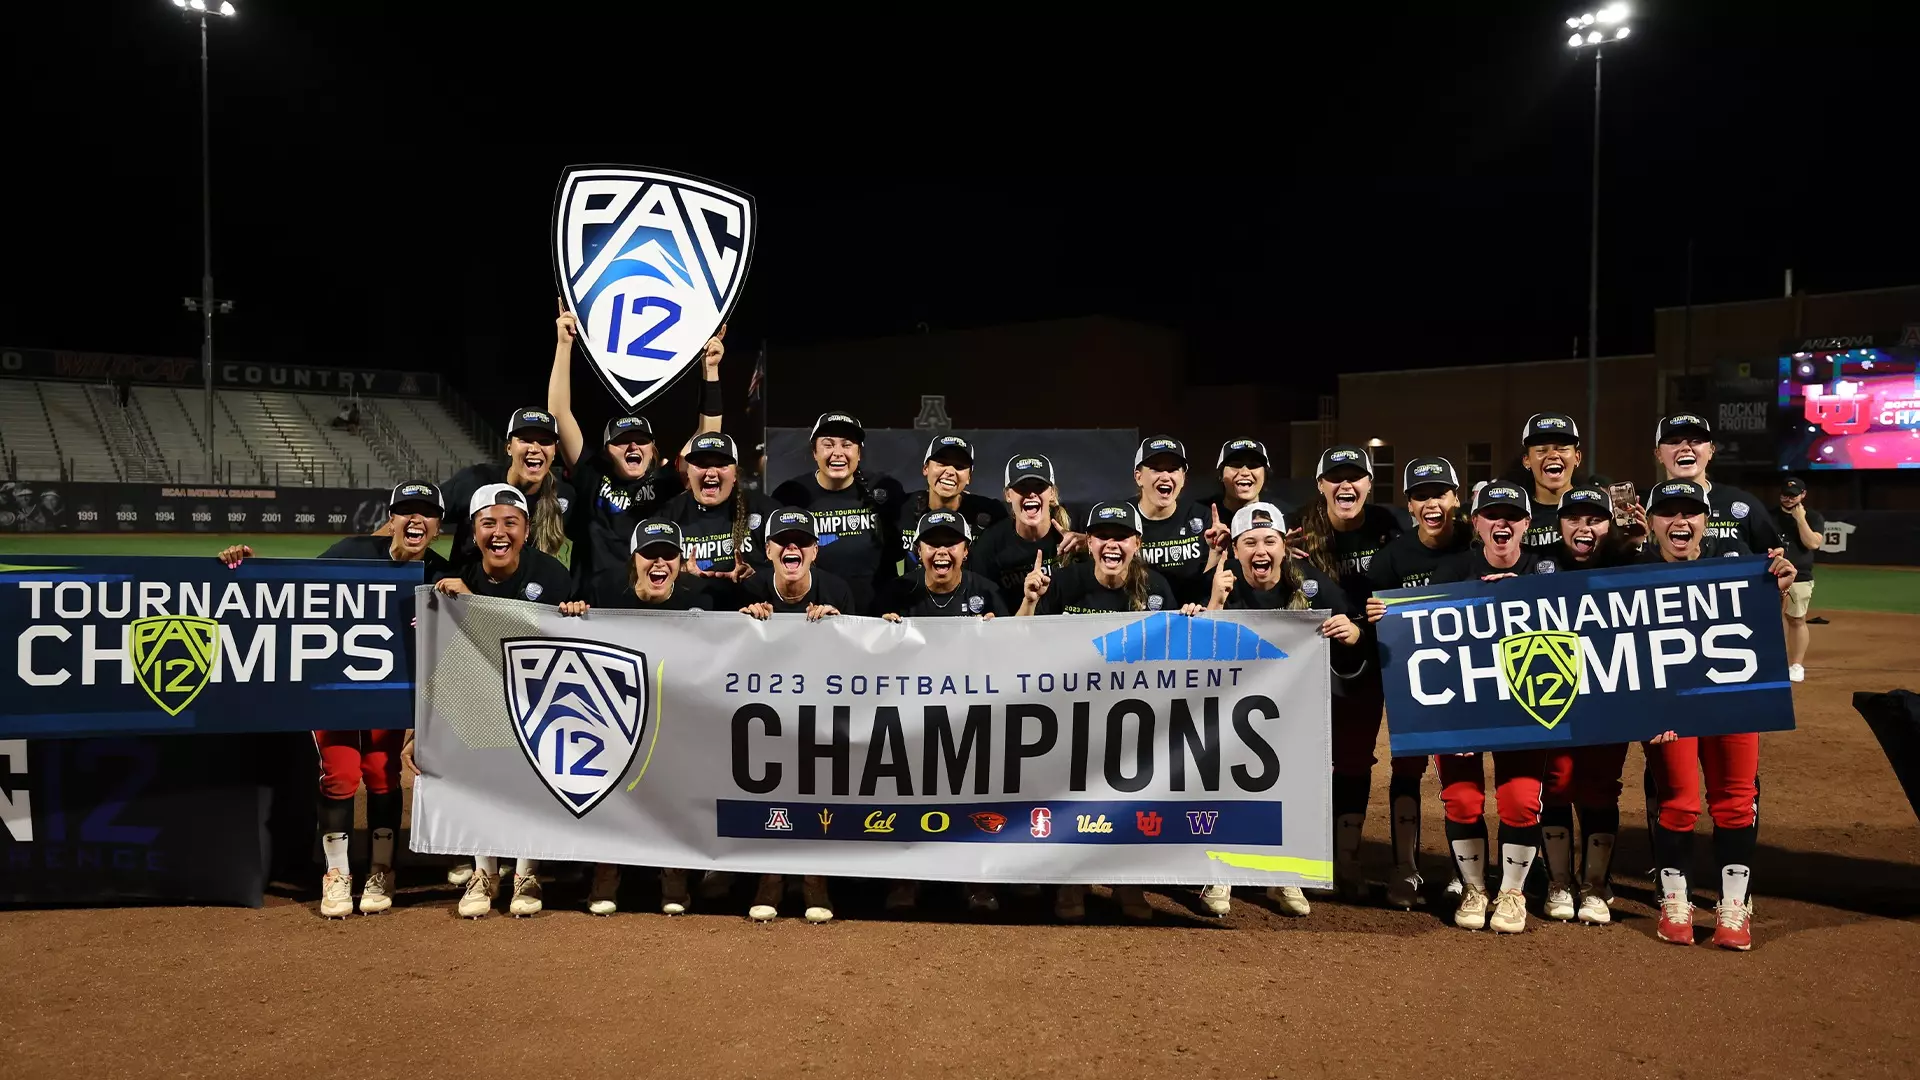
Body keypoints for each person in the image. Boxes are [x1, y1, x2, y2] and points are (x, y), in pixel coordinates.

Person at [216, 480, 450, 919]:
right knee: (341, 772)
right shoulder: (353, 552)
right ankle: (337, 873)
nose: (415, 519)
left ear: (438, 525)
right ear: (392, 519)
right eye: (406, 510)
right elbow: (294, 590)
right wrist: (248, 567)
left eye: (426, 512)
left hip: (389, 692)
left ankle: (382, 868)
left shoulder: (440, 574)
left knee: (382, 771)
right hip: (336, 687)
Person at [1019, 500, 1203, 922]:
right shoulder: (1063, 583)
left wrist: (1193, 617)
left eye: (1122, 536)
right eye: (1103, 535)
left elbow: (1179, 656)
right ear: (1090, 542)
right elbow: (1022, 642)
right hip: (1070, 715)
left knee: (1128, 800)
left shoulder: (1156, 587)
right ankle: (1071, 880)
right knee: (1073, 799)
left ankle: (1127, 881)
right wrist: (1030, 601)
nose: (1112, 544)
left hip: (1134, 717)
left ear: (1137, 543)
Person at [1635, 479, 1796, 950]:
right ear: (1650, 522)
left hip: (1732, 704)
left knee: (1735, 801)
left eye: (1690, 513)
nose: (1679, 521)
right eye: (1667, 512)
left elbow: (1758, 640)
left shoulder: (1736, 573)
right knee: (1680, 804)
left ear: (1706, 521)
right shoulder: (1629, 574)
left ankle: (1733, 906)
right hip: (1670, 711)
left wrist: (1775, 592)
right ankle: (1676, 901)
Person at [1207, 500, 1359, 918]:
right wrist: (1212, 606)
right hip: (1227, 713)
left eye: (1269, 541)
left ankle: (1284, 874)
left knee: (1292, 787)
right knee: (1222, 784)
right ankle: (1220, 872)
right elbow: (1194, 650)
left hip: (1291, 711)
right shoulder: (1221, 583)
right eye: (1249, 542)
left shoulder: (1309, 583)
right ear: (1235, 550)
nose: (1261, 550)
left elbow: (1352, 624)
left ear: (1284, 547)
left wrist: (1353, 630)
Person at [433, 484, 579, 918]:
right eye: (488, 524)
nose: (499, 533)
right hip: (481, 700)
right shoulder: (458, 578)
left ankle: (526, 871)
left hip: (539, 698)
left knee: (531, 781)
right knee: (481, 781)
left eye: (510, 523)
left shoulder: (552, 574)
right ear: (474, 532)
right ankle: (484, 872)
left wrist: (574, 614)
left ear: (527, 529)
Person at [1427, 482, 1557, 933]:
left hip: (1525, 706)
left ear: (1526, 523)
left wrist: (1528, 596)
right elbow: (1422, 643)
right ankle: (1474, 887)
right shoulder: (1448, 572)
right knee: (1462, 800)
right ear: (1476, 522)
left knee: (1520, 802)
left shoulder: (1549, 571)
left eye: (1511, 516)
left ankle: (1512, 893)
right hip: (1461, 710)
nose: (1501, 523)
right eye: (1491, 515)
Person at [548, 296, 725, 602]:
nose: (633, 445)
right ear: (606, 451)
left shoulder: (664, 483)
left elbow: (707, 437)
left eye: (641, 440)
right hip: (593, 605)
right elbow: (560, 414)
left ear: (652, 449)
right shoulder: (591, 476)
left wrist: (710, 371)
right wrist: (564, 345)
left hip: (650, 602)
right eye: (621, 441)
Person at [876, 509, 1008, 915]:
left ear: (965, 551)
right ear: (918, 550)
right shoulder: (898, 591)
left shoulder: (985, 592)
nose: (942, 551)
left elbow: (1019, 652)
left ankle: (978, 881)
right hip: (910, 717)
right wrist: (880, 629)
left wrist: (1002, 630)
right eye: (933, 543)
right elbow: (864, 651)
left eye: (951, 543)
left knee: (977, 795)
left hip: (972, 717)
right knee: (906, 792)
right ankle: (905, 879)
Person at [578, 518, 711, 916]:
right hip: (615, 714)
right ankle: (607, 872)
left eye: (668, 555)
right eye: (649, 554)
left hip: (675, 715)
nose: (659, 563)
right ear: (633, 559)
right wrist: (573, 612)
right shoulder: (602, 592)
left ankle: (673, 874)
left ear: (681, 560)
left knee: (674, 787)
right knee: (611, 786)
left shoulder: (699, 598)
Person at [1294, 444, 1407, 899]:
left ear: (1368, 483)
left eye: (1355, 476)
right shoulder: (1297, 532)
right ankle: (1304, 856)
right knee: (1305, 759)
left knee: (1355, 760)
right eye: (1335, 477)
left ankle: (1347, 858)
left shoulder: (1387, 528)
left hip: (1365, 659)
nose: (1346, 484)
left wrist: (1361, 629)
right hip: (1308, 662)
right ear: (1321, 485)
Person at [1360, 456, 1471, 907]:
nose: (1431, 503)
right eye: (1421, 495)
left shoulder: (1473, 543)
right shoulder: (1392, 558)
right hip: (1411, 679)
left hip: (1467, 678)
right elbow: (1375, 619)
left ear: (1455, 498)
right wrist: (1373, 617)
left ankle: (1467, 872)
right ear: (1409, 503)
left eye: (1439, 493)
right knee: (1407, 767)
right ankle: (1405, 868)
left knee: (1460, 770)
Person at [737, 507, 854, 924]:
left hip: (821, 714)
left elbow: (860, 662)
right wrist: (742, 624)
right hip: (760, 717)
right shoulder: (746, 590)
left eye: (802, 541)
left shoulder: (836, 590)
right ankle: (769, 879)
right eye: (782, 540)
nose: (792, 547)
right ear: (767, 550)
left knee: (817, 784)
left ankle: (813, 878)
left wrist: (841, 627)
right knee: (767, 785)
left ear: (814, 551)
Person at [1530, 482, 1633, 925]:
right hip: (1554, 693)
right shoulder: (1539, 564)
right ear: (1560, 524)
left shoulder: (1632, 562)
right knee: (1555, 782)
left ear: (1609, 525)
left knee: (1600, 785)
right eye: (1574, 518)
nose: (1584, 527)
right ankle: (1557, 880)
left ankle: (1594, 883)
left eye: (1595, 519)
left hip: (1611, 695)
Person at [771, 412, 905, 615]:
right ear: (814, 452)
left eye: (847, 444)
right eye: (828, 444)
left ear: (859, 453)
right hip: (814, 617)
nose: (838, 452)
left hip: (876, 617)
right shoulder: (790, 495)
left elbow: (900, 555)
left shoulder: (885, 492)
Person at [441, 407, 576, 570]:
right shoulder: (475, 480)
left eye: (545, 442)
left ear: (555, 452)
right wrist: (438, 573)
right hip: (465, 592)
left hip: (523, 594)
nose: (535, 448)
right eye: (525, 440)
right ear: (509, 448)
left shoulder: (563, 495)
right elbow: (424, 515)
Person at [657, 433, 779, 612]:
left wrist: (756, 577)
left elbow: (796, 570)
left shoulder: (764, 510)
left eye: (721, 464)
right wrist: (678, 575)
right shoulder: (668, 515)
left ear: (735, 474)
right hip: (686, 627)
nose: (711, 472)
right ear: (688, 472)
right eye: (702, 464)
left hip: (751, 624)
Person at [1651, 413, 1783, 556]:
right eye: (1674, 442)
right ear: (1658, 454)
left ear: (1710, 451)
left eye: (1696, 441)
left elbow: (1774, 558)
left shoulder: (1743, 503)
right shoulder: (1643, 509)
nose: (1686, 448)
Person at [969, 454, 1082, 613]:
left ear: (1052, 493)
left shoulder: (1076, 528)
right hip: (1014, 632)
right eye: (1022, 487)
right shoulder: (990, 546)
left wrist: (1088, 545)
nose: (1031, 494)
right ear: (1008, 495)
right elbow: (987, 614)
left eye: (1039, 486)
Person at [1127, 436, 1222, 606]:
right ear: (1138, 477)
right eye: (1156, 469)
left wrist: (1216, 553)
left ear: (1183, 478)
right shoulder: (1123, 516)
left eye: (1172, 470)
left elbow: (1206, 584)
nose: (1165, 476)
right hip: (1136, 618)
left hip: (1189, 616)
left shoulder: (1200, 516)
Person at [896, 434, 1007, 571]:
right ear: (926, 468)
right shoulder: (900, 509)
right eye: (942, 463)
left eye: (959, 467)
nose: (950, 471)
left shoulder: (992, 513)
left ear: (969, 477)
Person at [1772, 476, 1824, 683]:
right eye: (1785, 494)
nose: (1788, 499)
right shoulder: (1769, 516)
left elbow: (1812, 543)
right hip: (1771, 574)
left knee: (1796, 619)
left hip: (1799, 576)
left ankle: (1796, 665)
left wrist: (1800, 518)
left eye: (1793, 495)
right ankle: (1769, 661)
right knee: (1767, 620)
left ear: (1803, 495)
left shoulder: (1813, 516)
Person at [1517, 412, 1584, 549]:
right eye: (1541, 450)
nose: (1553, 455)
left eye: (1562, 449)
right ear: (1527, 460)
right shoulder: (1515, 515)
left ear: (1577, 458)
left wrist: (1634, 542)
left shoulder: (1596, 510)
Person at [1202, 438, 1292, 525]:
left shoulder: (1285, 517)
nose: (1245, 472)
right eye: (1236, 465)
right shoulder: (1200, 514)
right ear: (1220, 474)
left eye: (1254, 465)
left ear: (1265, 475)